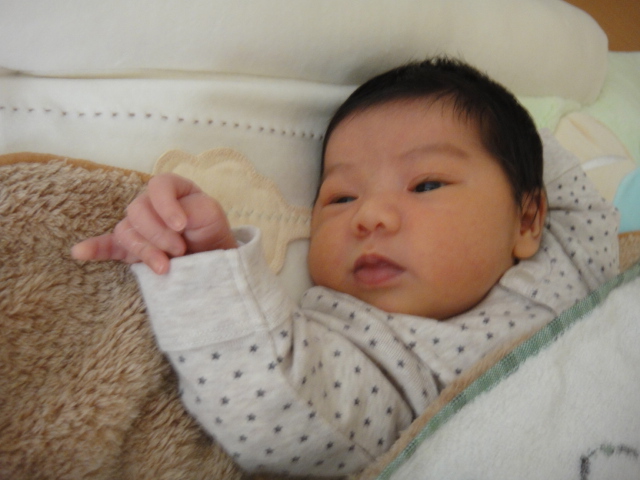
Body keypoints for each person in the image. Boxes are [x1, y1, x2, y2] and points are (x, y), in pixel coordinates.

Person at [72, 58, 619, 477]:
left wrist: (498, 116)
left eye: (426, 184)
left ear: (528, 220)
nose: (369, 216)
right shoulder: (363, 348)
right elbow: (276, 405)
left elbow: (567, 189)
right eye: (340, 197)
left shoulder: (563, 261)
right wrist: (205, 258)